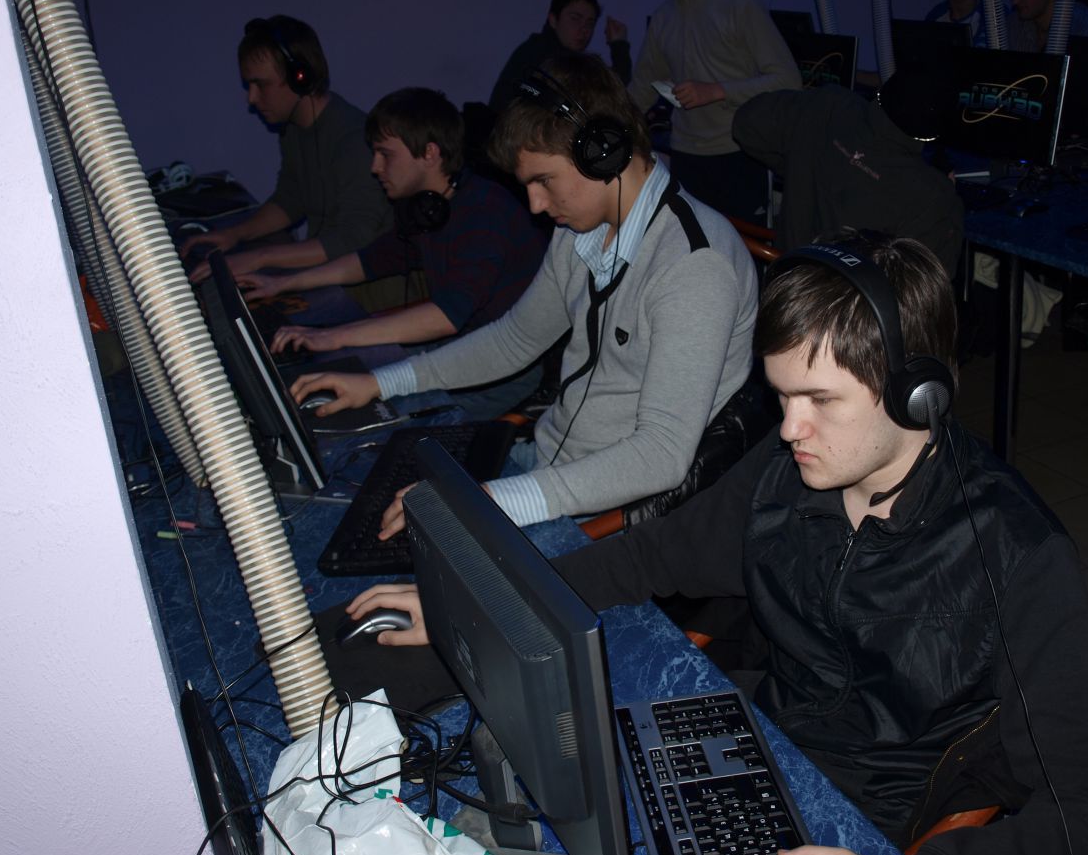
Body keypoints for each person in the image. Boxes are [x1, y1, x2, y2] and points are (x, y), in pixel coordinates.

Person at [341, 230, 1088, 855]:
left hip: (865, 826)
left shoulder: (1016, 555)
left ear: (918, 396)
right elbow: (652, 555)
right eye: (782, 396)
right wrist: (485, 602)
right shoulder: (787, 471)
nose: (789, 428)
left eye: (819, 400)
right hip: (752, 749)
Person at [291, 53, 758, 528]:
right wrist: (380, 383)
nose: (535, 204)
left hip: (600, 512)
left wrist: (492, 502)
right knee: (345, 494)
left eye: (543, 180)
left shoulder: (695, 266)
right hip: (541, 466)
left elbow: (661, 454)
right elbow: (515, 339)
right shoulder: (580, 229)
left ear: (603, 151)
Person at [236, 88, 544, 418]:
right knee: (339, 368)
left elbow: (446, 316)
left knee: (375, 412)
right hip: (463, 345)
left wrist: (332, 336)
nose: (375, 167)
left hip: (506, 370)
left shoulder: (484, 213)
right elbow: (369, 261)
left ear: (429, 153)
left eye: (385, 154)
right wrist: (283, 283)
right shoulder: (428, 209)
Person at [182, 16, 391, 282]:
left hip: (370, 286)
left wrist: (259, 257)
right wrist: (234, 235)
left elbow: (353, 239)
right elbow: (291, 200)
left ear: (299, 77)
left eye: (261, 85)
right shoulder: (294, 128)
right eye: (249, 85)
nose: (252, 98)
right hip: (331, 274)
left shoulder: (354, 141)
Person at [732, 69, 964, 275]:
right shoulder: (932, 196)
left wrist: (801, 164)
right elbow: (928, 290)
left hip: (786, 290)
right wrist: (947, 203)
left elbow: (746, 123)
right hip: (851, 308)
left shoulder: (829, 104)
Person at [628, 0, 801, 222]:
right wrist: (606, 122)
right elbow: (641, 88)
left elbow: (788, 80)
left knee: (743, 244)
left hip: (739, 154)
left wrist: (716, 91)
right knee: (689, 244)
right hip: (686, 156)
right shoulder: (663, 17)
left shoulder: (742, 7)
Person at [488, 0, 631, 114]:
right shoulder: (542, 53)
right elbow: (608, 89)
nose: (584, 29)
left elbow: (609, 89)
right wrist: (619, 46)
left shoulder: (559, 55)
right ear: (553, 19)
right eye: (575, 18)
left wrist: (618, 44)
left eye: (590, 23)